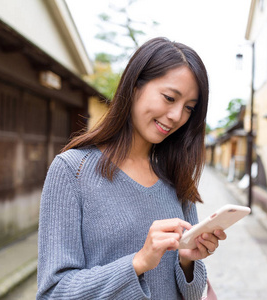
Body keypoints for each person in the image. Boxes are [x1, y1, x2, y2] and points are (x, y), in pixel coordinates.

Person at [36, 37, 226, 299]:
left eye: (189, 109)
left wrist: (187, 261)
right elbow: (53, 292)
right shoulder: (72, 171)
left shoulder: (175, 176)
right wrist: (138, 262)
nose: (176, 116)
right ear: (135, 86)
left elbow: (193, 294)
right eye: (169, 98)